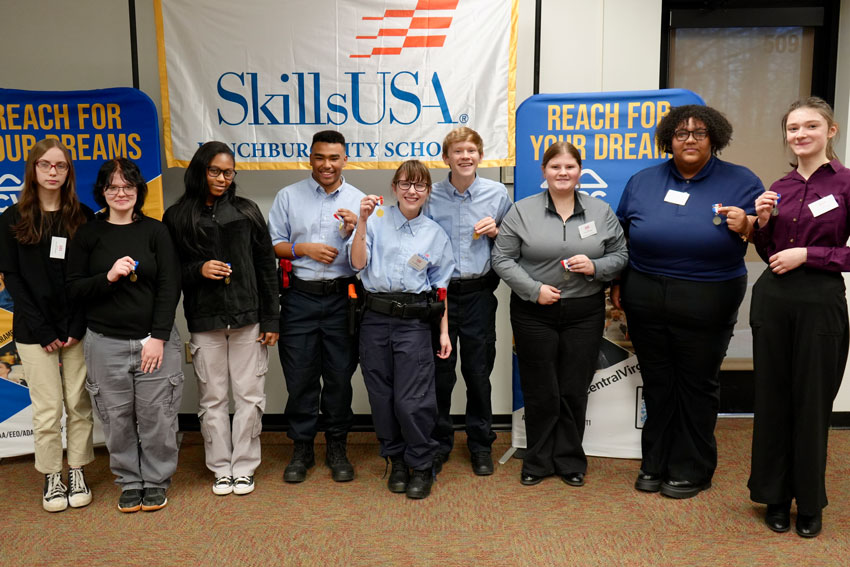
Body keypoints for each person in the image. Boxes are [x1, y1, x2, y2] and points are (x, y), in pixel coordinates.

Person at [613, 104, 763, 499]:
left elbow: (767, 236)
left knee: (696, 383)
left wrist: (748, 225)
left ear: (714, 137)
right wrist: (618, 284)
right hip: (645, 292)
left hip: (708, 294)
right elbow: (622, 237)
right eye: (681, 133)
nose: (690, 139)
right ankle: (655, 462)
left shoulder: (741, 180)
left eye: (699, 132)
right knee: (658, 381)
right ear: (669, 140)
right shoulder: (643, 180)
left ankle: (691, 467)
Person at [493, 141, 627, 487]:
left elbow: (621, 255)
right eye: (555, 167)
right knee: (540, 389)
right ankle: (537, 460)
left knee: (573, 388)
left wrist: (596, 266)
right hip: (533, 312)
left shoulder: (600, 211)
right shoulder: (522, 211)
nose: (563, 173)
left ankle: (569, 459)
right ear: (544, 172)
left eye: (569, 167)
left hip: (584, 312)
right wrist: (533, 290)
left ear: (579, 171)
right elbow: (502, 258)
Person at [748, 97, 850, 538]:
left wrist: (810, 253)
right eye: (792, 128)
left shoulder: (846, 184)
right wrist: (764, 223)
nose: (800, 134)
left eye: (810, 126)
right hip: (773, 300)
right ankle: (774, 496)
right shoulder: (780, 186)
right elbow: (769, 253)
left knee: (811, 404)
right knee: (773, 400)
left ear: (831, 131)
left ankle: (809, 502)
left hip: (820, 301)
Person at [163, 142, 279, 497]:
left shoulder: (247, 211)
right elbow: (168, 275)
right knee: (212, 398)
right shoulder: (178, 216)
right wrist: (199, 269)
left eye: (228, 172)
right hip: (205, 321)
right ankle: (220, 467)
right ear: (200, 170)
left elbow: (266, 267)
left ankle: (243, 467)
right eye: (215, 171)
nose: (222, 178)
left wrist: (272, 319)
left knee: (249, 396)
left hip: (249, 320)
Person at [67, 158, 183, 513]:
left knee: (157, 418)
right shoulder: (88, 234)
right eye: (113, 187)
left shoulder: (156, 231)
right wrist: (109, 277)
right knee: (116, 419)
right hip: (105, 343)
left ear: (138, 191)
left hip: (154, 341)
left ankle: (156, 480)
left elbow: (169, 286)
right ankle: (130, 481)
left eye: (128, 186)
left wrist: (158, 337)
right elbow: (73, 289)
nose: (121, 193)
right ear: (102, 191)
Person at [349, 160, 455, 499]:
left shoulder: (434, 234)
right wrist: (362, 221)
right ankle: (395, 459)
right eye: (406, 184)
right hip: (375, 319)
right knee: (381, 397)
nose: (412, 191)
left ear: (427, 192)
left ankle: (422, 464)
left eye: (420, 185)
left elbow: (441, 289)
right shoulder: (376, 220)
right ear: (394, 187)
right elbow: (357, 264)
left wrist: (443, 332)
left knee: (412, 400)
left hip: (414, 323)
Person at [0, 138, 94, 512]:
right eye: (46, 165)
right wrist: (43, 330)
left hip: (75, 328)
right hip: (33, 330)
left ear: (68, 171)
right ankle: (52, 475)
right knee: (47, 407)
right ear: (33, 170)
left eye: (61, 166)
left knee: (78, 403)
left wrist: (73, 325)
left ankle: (78, 470)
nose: (53, 172)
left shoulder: (83, 216)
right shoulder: (11, 219)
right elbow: (12, 280)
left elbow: (88, 277)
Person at [268, 130, 364, 483]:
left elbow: (368, 259)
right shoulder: (288, 196)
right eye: (320, 157)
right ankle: (302, 447)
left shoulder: (358, 200)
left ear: (345, 159)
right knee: (301, 377)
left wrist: (357, 229)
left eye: (334, 158)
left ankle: (337, 445)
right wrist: (303, 249)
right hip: (299, 298)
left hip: (343, 298)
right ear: (311, 157)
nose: (327, 165)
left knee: (340, 377)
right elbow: (273, 244)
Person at [424, 127, 512, 476]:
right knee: (440, 375)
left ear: (480, 156)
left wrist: (498, 232)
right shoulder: (431, 195)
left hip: (478, 295)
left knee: (478, 374)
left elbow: (514, 242)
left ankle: (480, 444)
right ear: (446, 158)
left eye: (471, 151)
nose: (465, 157)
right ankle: (440, 442)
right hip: (440, 297)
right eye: (457, 151)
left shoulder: (497, 194)